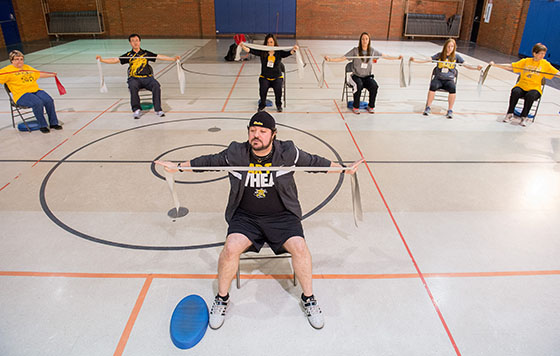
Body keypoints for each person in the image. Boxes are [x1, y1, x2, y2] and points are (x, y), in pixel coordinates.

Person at [155, 111, 362, 330]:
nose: (257, 135)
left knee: (300, 248)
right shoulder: (236, 153)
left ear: (273, 134)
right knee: (230, 249)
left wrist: (344, 169)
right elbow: (208, 161)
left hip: (282, 217)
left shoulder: (288, 152)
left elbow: (313, 162)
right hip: (246, 218)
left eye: (262, 131)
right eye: (253, 131)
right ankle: (222, 299)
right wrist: (177, 167)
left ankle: (309, 298)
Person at [96, 34, 180, 119]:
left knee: (156, 85)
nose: (135, 43)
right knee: (132, 86)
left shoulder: (146, 53)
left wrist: (173, 59)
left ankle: (158, 109)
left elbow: (159, 56)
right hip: (134, 79)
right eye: (133, 41)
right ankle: (136, 110)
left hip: (148, 78)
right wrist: (102, 60)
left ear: (139, 42)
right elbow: (115, 60)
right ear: (130, 43)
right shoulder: (128, 55)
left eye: (136, 40)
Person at [324, 32, 402, 114]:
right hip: (355, 76)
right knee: (358, 85)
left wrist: (397, 58)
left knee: (374, 86)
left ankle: (371, 106)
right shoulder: (355, 50)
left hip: (367, 77)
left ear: (369, 40)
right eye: (363, 39)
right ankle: (355, 107)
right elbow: (342, 58)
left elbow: (385, 56)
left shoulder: (372, 51)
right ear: (360, 40)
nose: (365, 40)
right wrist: (330, 59)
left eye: (366, 39)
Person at [490, 43, 559, 127]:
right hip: (522, 86)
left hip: (534, 89)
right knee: (515, 91)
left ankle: (524, 117)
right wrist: (496, 65)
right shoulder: (526, 61)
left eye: (544, 53)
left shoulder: (545, 64)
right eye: (541, 53)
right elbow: (511, 66)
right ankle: (509, 114)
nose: (543, 55)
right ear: (534, 53)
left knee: (530, 95)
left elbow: (556, 73)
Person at [410, 38, 482, 119]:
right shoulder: (440, 55)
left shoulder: (456, 57)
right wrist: (415, 60)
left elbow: (466, 64)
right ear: (445, 47)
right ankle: (428, 107)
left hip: (449, 80)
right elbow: (427, 59)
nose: (450, 48)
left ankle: (450, 110)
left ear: (454, 47)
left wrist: (476, 67)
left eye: (452, 46)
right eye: (448, 46)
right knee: (433, 85)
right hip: (438, 79)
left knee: (452, 88)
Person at [0, 50, 62, 134]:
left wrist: (51, 74)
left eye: (21, 59)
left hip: (35, 91)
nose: (19, 61)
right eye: (17, 59)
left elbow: (38, 74)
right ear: (12, 60)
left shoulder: (27, 67)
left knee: (48, 100)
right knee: (37, 103)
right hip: (21, 94)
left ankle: (53, 123)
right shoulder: (6, 71)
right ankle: (42, 125)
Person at [240, 34, 297, 112]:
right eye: (268, 42)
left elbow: (287, 53)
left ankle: (278, 105)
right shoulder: (262, 51)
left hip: (277, 77)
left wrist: (294, 50)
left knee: (278, 91)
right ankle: (262, 105)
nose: (270, 44)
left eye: (271, 42)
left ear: (274, 42)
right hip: (265, 77)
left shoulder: (278, 52)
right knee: (262, 91)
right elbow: (251, 50)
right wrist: (243, 46)